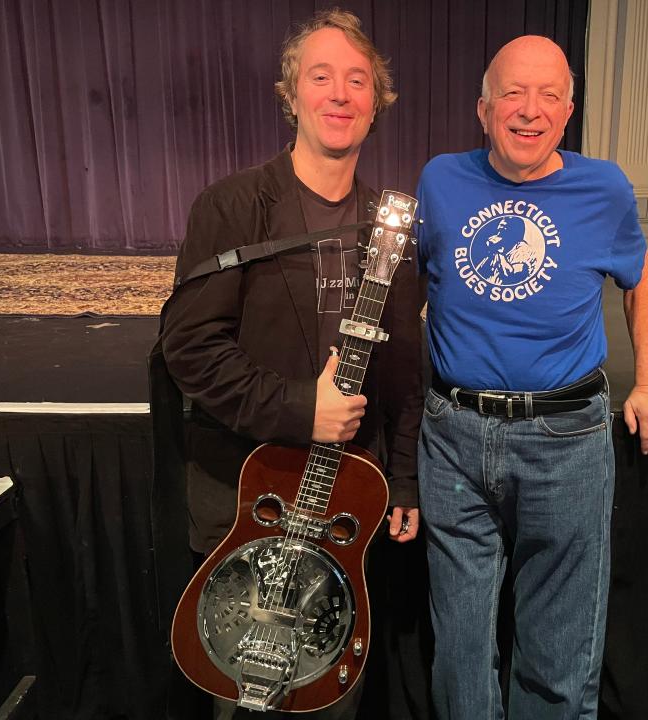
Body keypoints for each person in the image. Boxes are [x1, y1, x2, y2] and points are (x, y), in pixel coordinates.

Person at [158, 8, 422, 718]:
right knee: (248, 704)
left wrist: (402, 478)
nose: (340, 94)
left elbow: (404, 377)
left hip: (346, 509)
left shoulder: (390, 223)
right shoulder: (233, 205)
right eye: (321, 76)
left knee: (328, 703)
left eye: (357, 80)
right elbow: (189, 347)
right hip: (249, 496)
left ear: (376, 102)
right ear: (291, 94)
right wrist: (301, 407)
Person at [415, 35, 648, 720]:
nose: (529, 111)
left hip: (567, 438)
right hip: (451, 438)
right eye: (513, 93)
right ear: (483, 108)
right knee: (460, 654)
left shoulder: (603, 187)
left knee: (559, 657)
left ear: (568, 111)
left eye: (548, 96)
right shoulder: (440, 180)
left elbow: (639, 274)